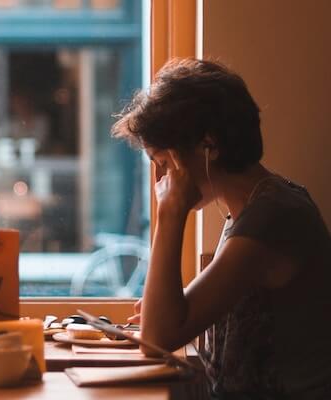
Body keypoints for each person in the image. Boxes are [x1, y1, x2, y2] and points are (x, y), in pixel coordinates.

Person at [112, 58, 331, 399]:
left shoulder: (272, 217)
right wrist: (161, 307)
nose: (159, 182)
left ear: (208, 145)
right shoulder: (252, 210)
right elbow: (171, 321)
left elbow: (157, 339)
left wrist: (171, 211)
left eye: (162, 163)